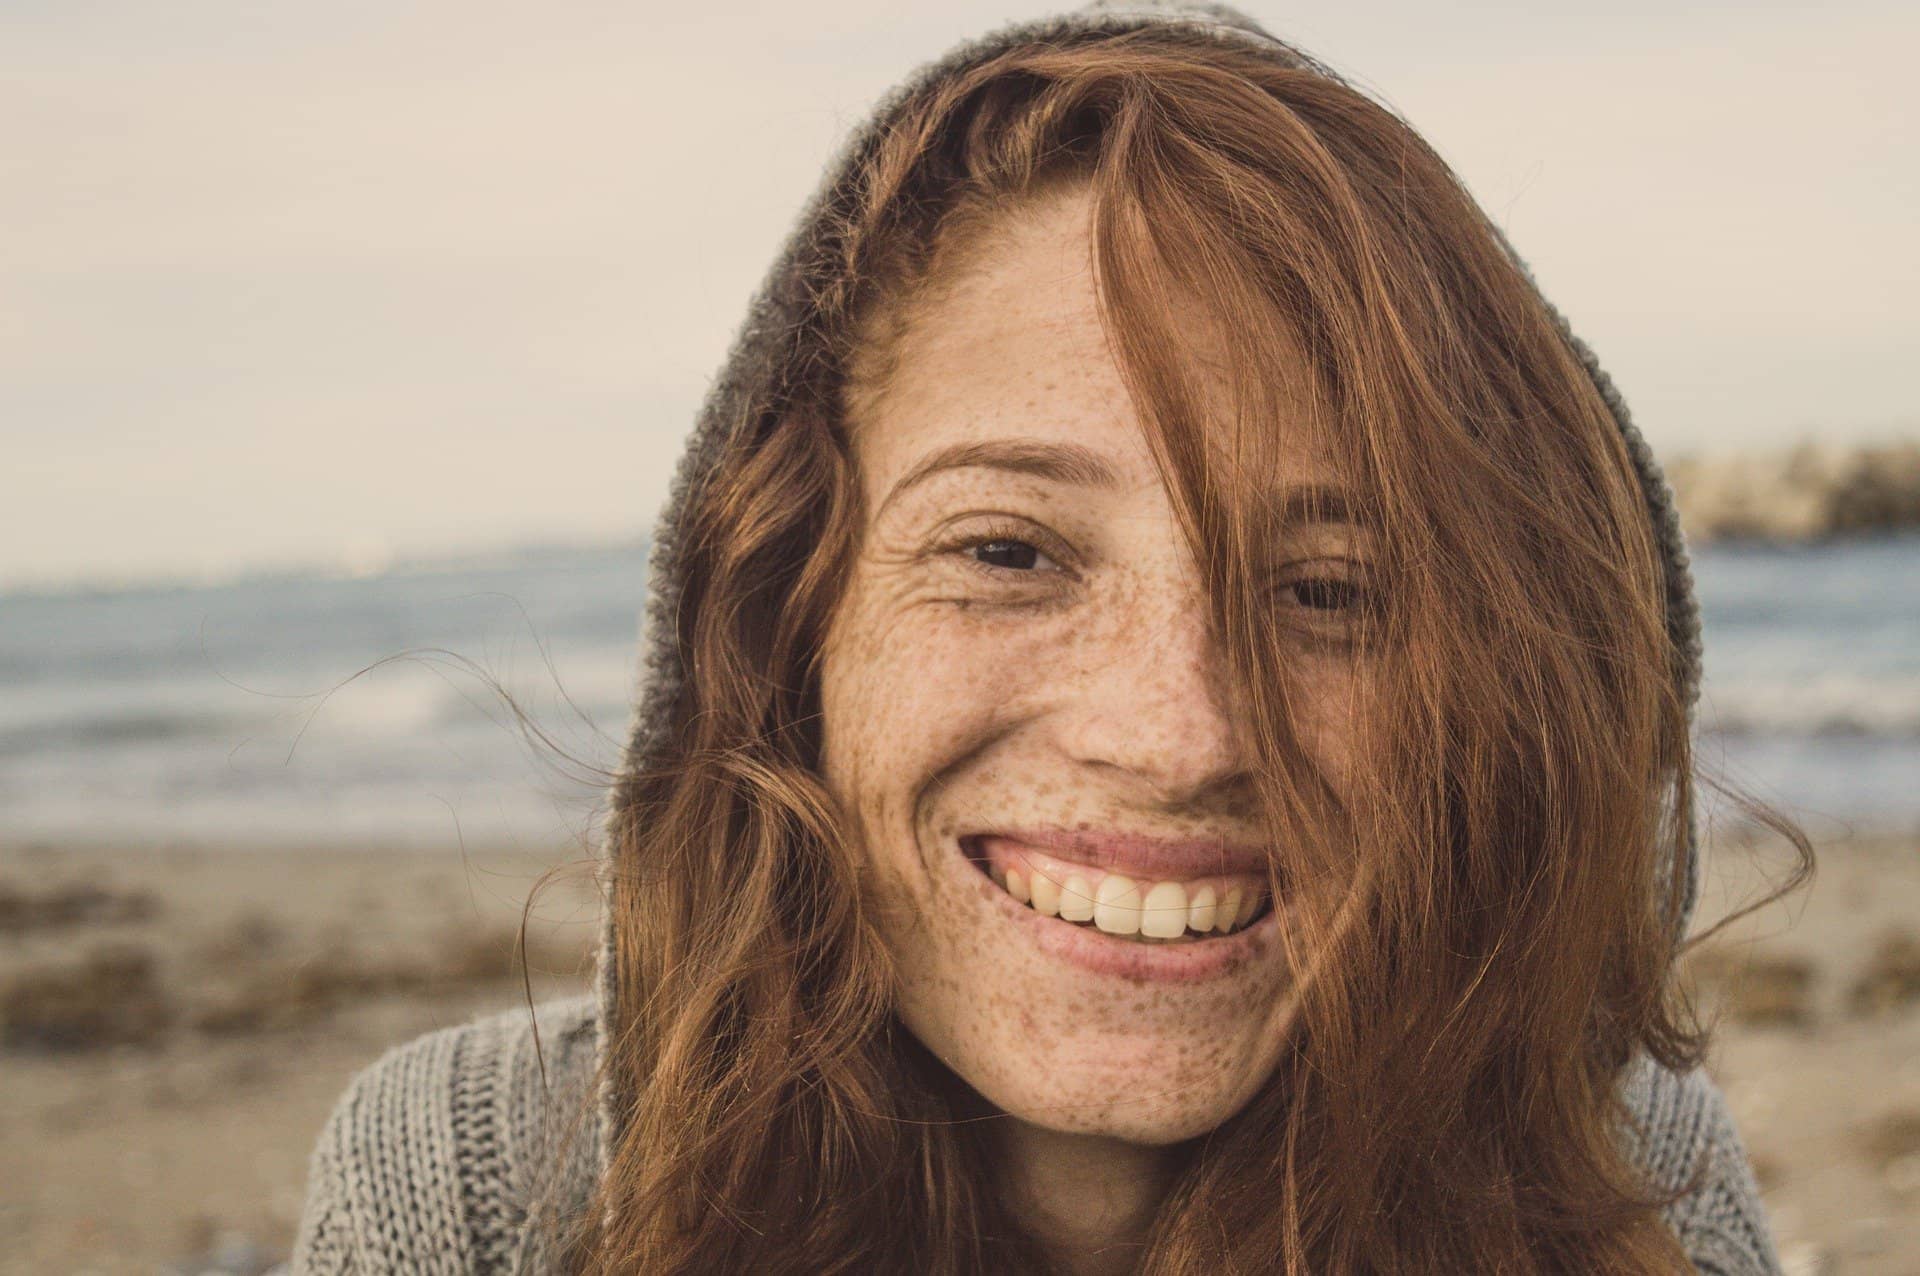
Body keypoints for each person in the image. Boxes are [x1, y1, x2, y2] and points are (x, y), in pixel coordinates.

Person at [291, 3, 1810, 1272]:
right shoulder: (476, 1194)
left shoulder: (1618, 1184)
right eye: (1009, 552)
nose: (1179, 734)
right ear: (783, 626)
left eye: (1333, 590)